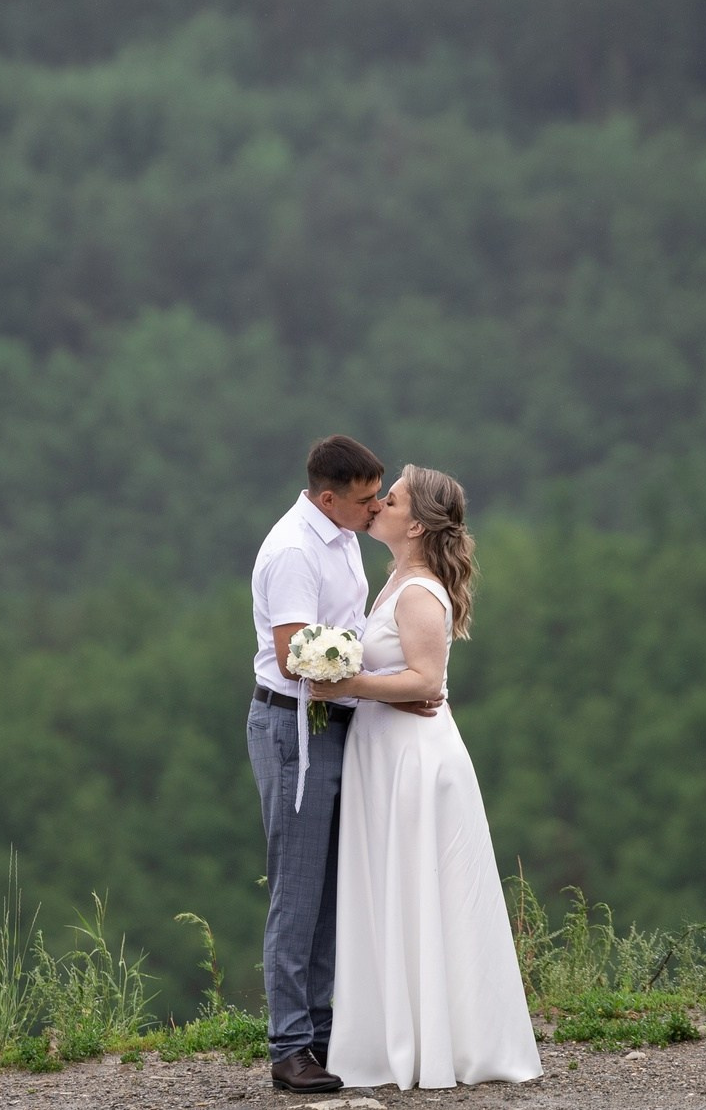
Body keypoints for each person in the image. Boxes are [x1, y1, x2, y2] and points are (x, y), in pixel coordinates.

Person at [312, 464, 543, 1091]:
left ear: (415, 525)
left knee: (421, 888)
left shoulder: (418, 591)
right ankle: (401, 1036)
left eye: (390, 500)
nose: (377, 505)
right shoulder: (397, 579)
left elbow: (427, 681)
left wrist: (345, 683)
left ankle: (440, 1043)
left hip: (412, 760)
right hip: (385, 752)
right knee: (397, 888)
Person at [248, 434, 435, 1095]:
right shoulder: (295, 551)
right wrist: (381, 686)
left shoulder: (344, 536)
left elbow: (346, 633)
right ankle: (289, 1045)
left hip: (337, 722)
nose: (376, 507)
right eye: (365, 499)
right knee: (298, 890)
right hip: (294, 726)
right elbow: (295, 655)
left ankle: (324, 1035)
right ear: (328, 498)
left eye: (379, 495)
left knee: (333, 889)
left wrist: (387, 687)